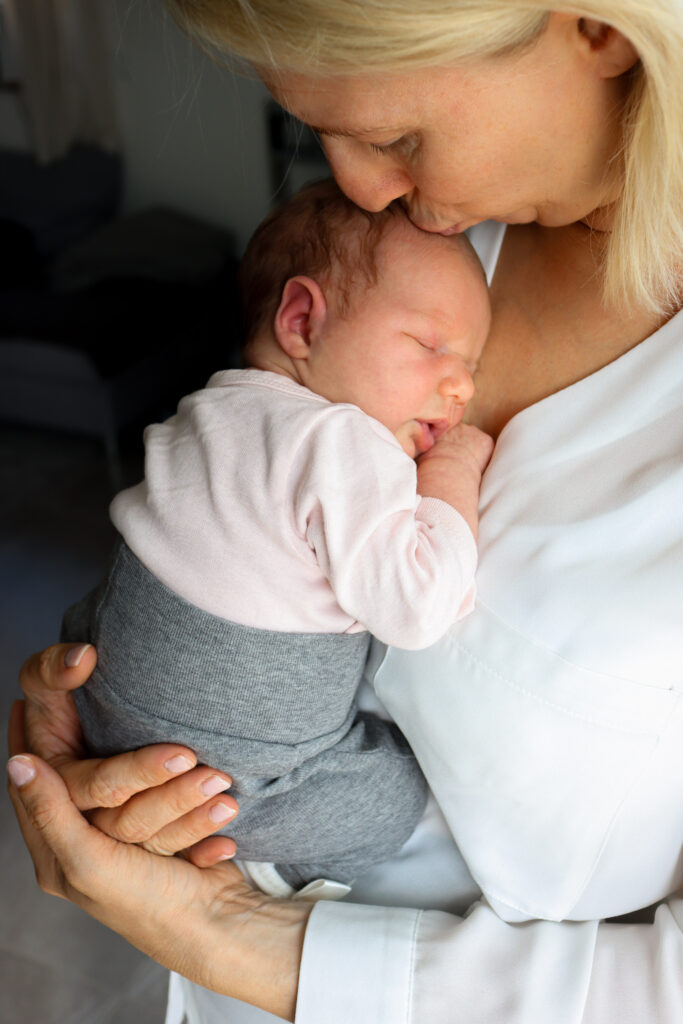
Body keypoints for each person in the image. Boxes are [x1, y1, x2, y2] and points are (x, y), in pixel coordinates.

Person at [7, 3, 682, 1023]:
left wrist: (240, 940)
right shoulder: (418, 257)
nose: (362, 187)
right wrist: (126, 690)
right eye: (321, 129)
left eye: (398, 136)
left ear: (594, 28)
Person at [61, 178, 492, 896]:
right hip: (236, 774)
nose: (459, 388)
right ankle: (275, 868)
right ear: (301, 321)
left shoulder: (211, 406)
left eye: (471, 367)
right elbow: (415, 608)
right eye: (429, 345)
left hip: (102, 701)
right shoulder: (342, 438)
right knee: (391, 795)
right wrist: (450, 476)